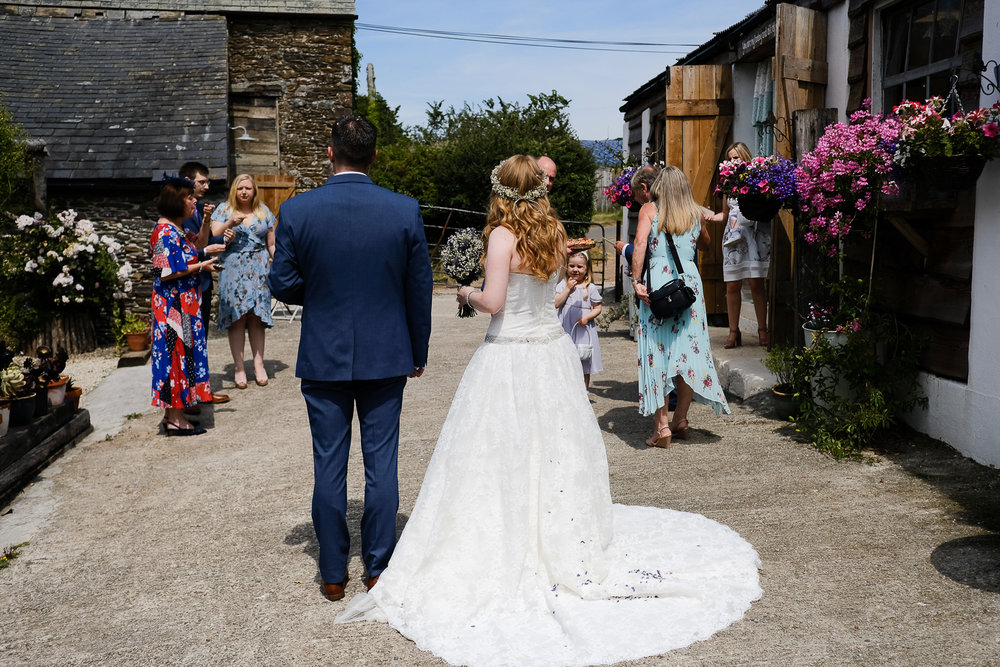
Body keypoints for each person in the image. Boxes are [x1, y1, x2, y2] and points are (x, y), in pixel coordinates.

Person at [334, 155, 761, 667]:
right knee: (555, 448)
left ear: (501, 192)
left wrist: (465, 289)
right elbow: (555, 294)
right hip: (549, 350)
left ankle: (512, 537)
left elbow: (494, 301)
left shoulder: (500, 236)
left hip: (509, 354)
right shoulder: (554, 231)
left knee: (499, 454)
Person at [268, 115, 433, 602]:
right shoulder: (403, 209)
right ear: (374, 156)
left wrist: (319, 293)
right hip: (387, 355)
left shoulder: (297, 210)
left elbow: (280, 282)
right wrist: (416, 349)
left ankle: (334, 571)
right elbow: (418, 289)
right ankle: (378, 567)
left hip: (323, 353)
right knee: (382, 463)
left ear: (329, 151)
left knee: (328, 463)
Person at [631, 166, 730, 448]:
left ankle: (662, 427)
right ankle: (681, 419)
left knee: (657, 353)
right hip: (689, 287)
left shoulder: (650, 210)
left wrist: (637, 281)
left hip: (659, 285)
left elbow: (639, 243)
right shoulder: (695, 212)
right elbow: (706, 246)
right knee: (687, 352)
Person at [149, 176, 219, 435]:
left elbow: (199, 245)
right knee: (174, 357)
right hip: (173, 309)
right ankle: (175, 419)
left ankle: (175, 414)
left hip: (183, 305)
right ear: (176, 201)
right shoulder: (164, 231)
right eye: (190, 198)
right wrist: (202, 265)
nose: (194, 200)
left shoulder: (176, 228)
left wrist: (206, 220)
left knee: (181, 356)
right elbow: (165, 272)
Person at [211, 174, 277, 388]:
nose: (244, 192)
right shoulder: (224, 209)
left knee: (257, 317)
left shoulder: (263, 211)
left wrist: (278, 263)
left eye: (248, 188)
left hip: (259, 267)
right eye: (240, 188)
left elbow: (272, 244)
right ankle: (239, 367)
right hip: (233, 266)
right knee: (237, 318)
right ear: (234, 191)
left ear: (254, 190)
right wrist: (230, 224)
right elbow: (213, 234)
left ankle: (259, 365)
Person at [708, 141, 771, 348]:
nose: (733, 161)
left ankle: (763, 330)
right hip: (734, 236)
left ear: (745, 157)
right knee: (732, 284)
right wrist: (708, 216)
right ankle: (733, 332)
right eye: (730, 158)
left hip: (754, 234)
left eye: (736, 157)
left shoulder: (756, 178)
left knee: (756, 284)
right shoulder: (727, 183)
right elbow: (726, 215)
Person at [178, 161, 229, 408]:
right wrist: (208, 249)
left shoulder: (197, 209)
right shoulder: (181, 212)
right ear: (188, 181)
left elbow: (205, 238)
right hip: (188, 282)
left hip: (203, 280)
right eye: (202, 182)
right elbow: (195, 247)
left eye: (207, 182)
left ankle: (202, 390)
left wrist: (222, 232)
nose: (207, 186)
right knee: (188, 340)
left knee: (201, 338)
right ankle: (190, 395)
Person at [555, 250, 602, 388]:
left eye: (580, 267)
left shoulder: (590, 288)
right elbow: (556, 304)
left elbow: (597, 308)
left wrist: (587, 317)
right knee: (566, 359)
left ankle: (584, 390)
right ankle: (567, 389)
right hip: (566, 327)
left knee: (583, 360)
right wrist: (568, 289)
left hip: (582, 330)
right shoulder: (563, 285)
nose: (575, 270)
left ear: (587, 268)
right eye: (572, 266)